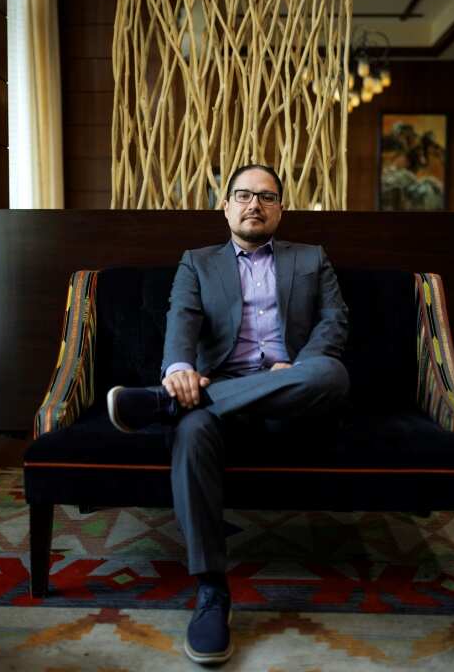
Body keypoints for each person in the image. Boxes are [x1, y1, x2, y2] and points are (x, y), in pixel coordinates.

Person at [107, 164, 349, 665]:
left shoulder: (311, 259)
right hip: (217, 390)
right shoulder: (197, 262)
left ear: (281, 207)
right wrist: (177, 370)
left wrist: (297, 368)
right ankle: (212, 591)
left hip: (292, 390)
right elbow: (183, 321)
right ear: (225, 205)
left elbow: (333, 322)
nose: (254, 204)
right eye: (243, 195)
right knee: (192, 430)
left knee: (331, 374)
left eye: (266, 196)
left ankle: (160, 404)